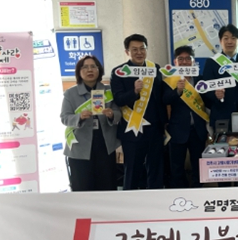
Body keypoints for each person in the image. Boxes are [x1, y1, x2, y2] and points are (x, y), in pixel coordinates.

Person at [111, 34, 167, 190]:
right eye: (134, 49)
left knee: (156, 169)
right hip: (132, 128)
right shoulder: (119, 72)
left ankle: (155, 198)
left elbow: (160, 96)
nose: (139, 52)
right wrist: (134, 92)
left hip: (155, 128)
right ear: (127, 52)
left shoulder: (154, 68)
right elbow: (118, 99)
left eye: (142, 48)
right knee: (132, 170)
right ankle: (131, 200)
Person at [60, 55, 121, 191]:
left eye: (93, 66)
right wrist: (79, 117)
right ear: (79, 72)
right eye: (85, 67)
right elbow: (64, 117)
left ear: (99, 70)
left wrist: (112, 114)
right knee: (83, 188)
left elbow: (119, 113)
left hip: (105, 146)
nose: (89, 70)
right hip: (79, 147)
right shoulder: (70, 93)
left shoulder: (108, 91)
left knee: (107, 186)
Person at [163, 46, 209, 188]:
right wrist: (178, 91)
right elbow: (165, 99)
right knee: (176, 168)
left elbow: (208, 101)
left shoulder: (201, 79)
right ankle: (179, 195)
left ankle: (198, 194)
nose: (184, 62)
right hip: (177, 130)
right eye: (181, 59)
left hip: (198, 130)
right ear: (175, 62)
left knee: (198, 167)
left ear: (193, 61)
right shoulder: (169, 81)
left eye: (188, 58)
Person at [200, 24, 238, 132]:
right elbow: (205, 90)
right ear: (220, 41)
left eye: (233, 38)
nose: (230, 41)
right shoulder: (211, 63)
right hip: (221, 114)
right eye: (226, 38)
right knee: (222, 142)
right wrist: (215, 95)